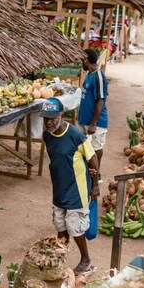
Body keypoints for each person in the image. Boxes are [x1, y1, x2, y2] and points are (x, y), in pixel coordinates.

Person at [41, 98, 100, 275]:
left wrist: (95, 185)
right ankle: (61, 258)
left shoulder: (76, 135)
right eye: (45, 118)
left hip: (77, 189)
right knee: (60, 225)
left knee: (75, 226)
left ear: (61, 115)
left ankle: (85, 259)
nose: (48, 122)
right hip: (59, 186)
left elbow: (93, 159)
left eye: (52, 118)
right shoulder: (47, 135)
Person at [77, 48, 108, 182]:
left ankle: (97, 174)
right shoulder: (89, 74)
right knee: (84, 148)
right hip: (84, 119)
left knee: (96, 148)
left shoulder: (99, 77)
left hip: (96, 122)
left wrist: (94, 123)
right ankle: (88, 172)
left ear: (86, 60)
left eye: (81, 61)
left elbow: (101, 100)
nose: (81, 64)